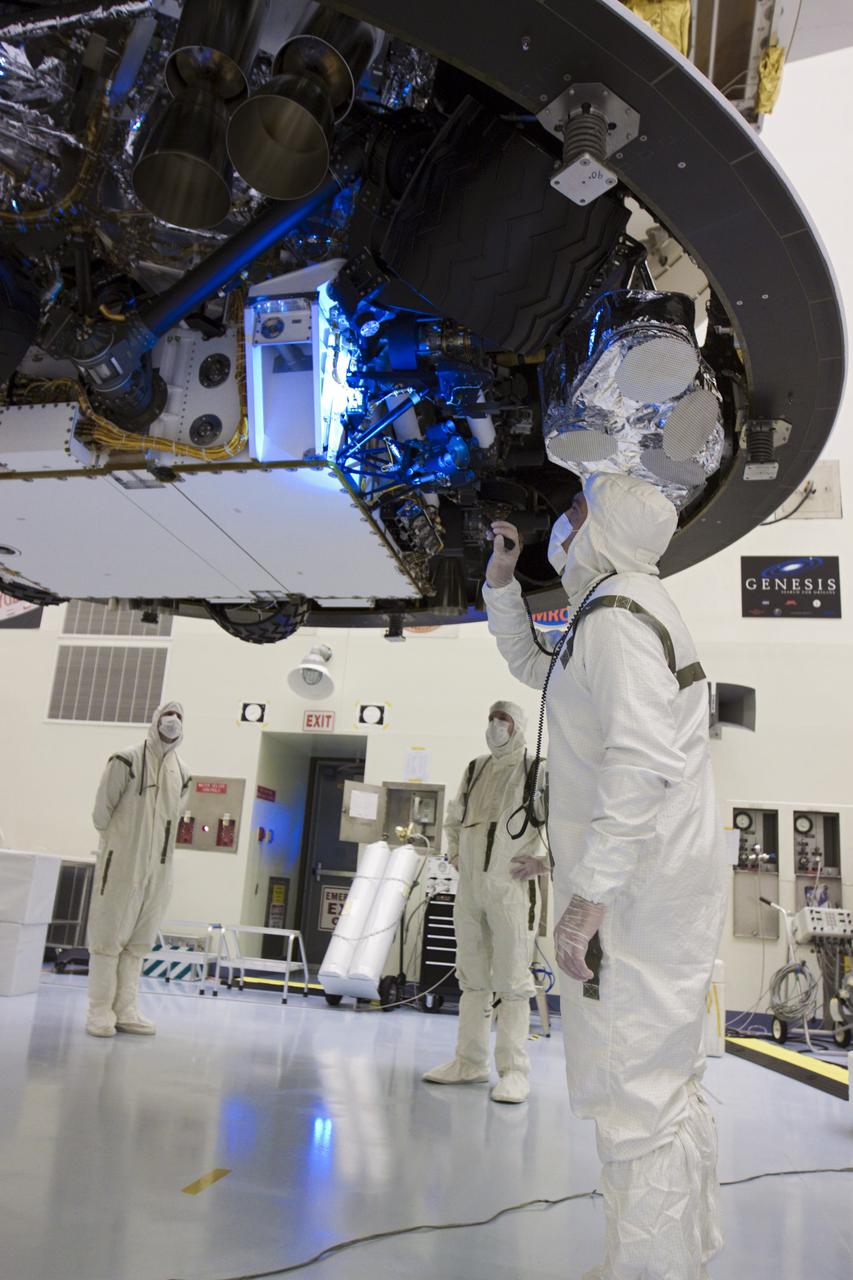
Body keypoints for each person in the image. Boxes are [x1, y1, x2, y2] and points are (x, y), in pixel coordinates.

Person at [483, 473, 726, 1278]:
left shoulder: (621, 616)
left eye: (578, 509)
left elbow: (638, 768)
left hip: (634, 901)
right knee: (654, 1089)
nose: (564, 519)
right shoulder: (609, 610)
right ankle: (666, 1263)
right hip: (651, 889)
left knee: (632, 1101)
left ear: (609, 526)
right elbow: (535, 666)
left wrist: (585, 904)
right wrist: (501, 582)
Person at [422, 700, 548, 1104]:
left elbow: (565, 824)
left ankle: (514, 1071)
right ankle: (470, 1061)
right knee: (472, 977)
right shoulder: (476, 768)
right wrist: (456, 853)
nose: (495, 726)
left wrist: (545, 862)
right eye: (491, 718)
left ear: (520, 726)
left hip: (512, 889)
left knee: (513, 983)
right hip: (471, 887)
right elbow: (455, 817)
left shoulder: (537, 770)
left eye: (504, 719)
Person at [86, 701, 190, 1038]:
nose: (172, 721)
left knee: (138, 943)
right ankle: (99, 1010)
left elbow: (172, 822)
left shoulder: (183, 773)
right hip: (121, 865)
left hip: (158, 870)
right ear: (155, 720)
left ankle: (126, 1009)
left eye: (178, 716)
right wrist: (119, 846)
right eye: (167, 715)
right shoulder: (126, 760)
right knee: (108, 938)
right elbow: (102, 812)